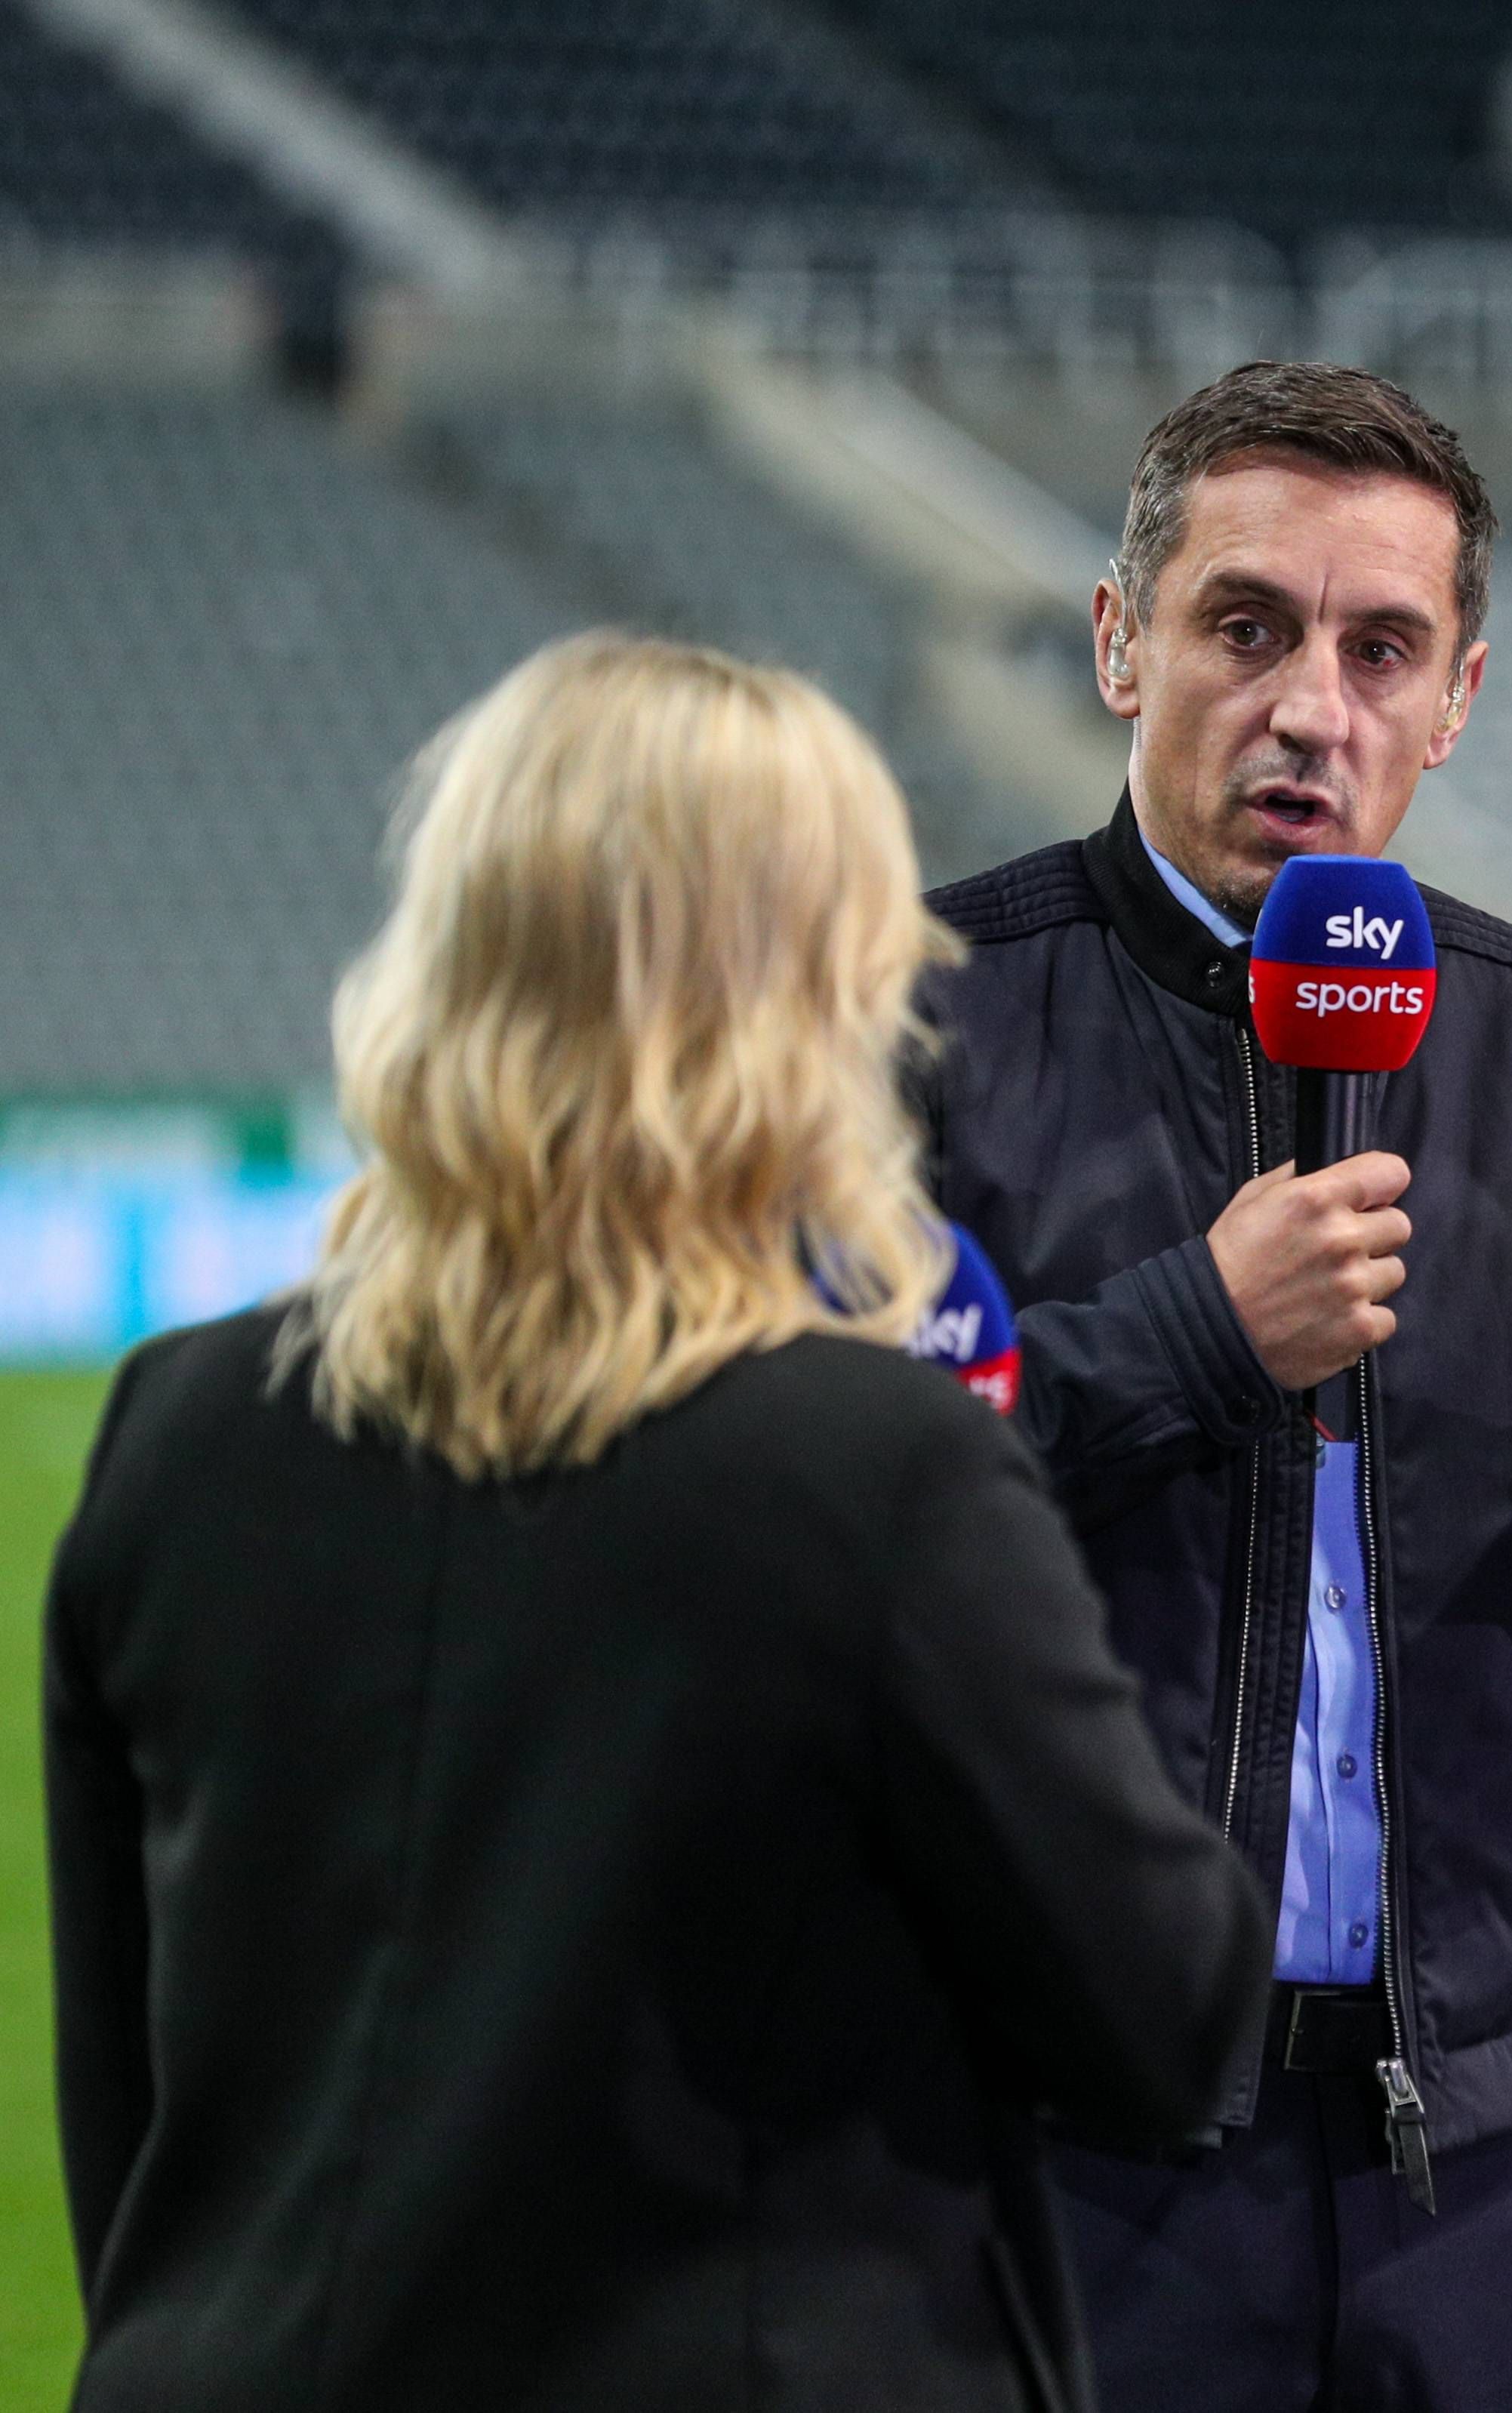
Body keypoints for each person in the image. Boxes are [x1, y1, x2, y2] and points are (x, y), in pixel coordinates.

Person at [44, 633, 1279, 2411]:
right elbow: (1169, 2016)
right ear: (807, 1003)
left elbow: (134, 2109)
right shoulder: (874, 1468)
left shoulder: (179, 1427)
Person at [913, 361, 1512, 2409]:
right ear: (1122, 646)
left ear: (1456, 696)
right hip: (1053, 2140)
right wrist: (1194, 1334)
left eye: (1381, 647)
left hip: (1459, 2170)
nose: (1315, 704)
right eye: (1247, 625)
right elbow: (807, 1574)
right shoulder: (912, 1023)